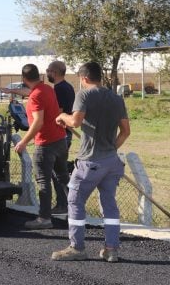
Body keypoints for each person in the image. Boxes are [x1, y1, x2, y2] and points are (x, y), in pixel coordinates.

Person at [52, 61, 131, 262]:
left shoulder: (84, 95)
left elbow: (75, 121)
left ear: (84, 78)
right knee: (109, 205)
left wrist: (62, 116)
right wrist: (111, 149)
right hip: (112, 162)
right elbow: (126, 131)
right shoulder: (116, 98)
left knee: (75, 200)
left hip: (89, 163)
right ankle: (111, 249)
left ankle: (77, 247)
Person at [3, 64, 69, 229]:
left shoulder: (35, 97)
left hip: (46, 144)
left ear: (23, 79)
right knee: (63, 179)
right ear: (39, 76)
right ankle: (74, 212)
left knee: (43, 182)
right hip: (61, 140)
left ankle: (44, 218)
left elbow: (38, 122)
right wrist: (12, 91)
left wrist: (23, 141)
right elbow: (32, 93)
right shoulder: (47, 89)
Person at [47, 60, 75, 214]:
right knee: (59, 170)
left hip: (60, 135)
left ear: (55, 72)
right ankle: (66, 203)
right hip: (65, 134)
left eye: (48, 70)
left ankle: (63, 204)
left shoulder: (59, 89)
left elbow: (58, 112)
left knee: (57, 171)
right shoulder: (68, 87)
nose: (47, 73)